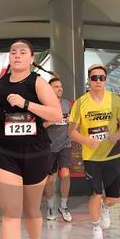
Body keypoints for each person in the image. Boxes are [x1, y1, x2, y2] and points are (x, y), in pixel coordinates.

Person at [0, 40, 61, 239]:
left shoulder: (38, 83)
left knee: (31, 210)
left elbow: (56, 115)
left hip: (35, 152)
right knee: (11, 212)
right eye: (13, 52)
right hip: (4, 152)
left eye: (23, 52)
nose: (17, 55)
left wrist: (25, 104)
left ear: (31, 59)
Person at [68, 64, 120, 239]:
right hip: (91, 156)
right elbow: (71, 131)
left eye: (102, 78)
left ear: (105, 80)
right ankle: (96, 229)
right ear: (89, 80)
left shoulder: (115, 100)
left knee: (114, 197)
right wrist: (86, 141)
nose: (98, 81)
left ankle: (105, 207)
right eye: (94, 78)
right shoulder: (80, 103)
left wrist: (116, 135)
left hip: (112, 154)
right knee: (95, 193)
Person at [43, 77, 73, 222]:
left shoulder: (67, 104)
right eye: (56, 86)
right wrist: (51, 121)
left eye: (60, 86)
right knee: (49, 178)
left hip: (65, 144)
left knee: (66, 173)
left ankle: (64, 206)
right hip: (49, 147)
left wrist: (71, 121)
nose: (60, 88)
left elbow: (73, 122)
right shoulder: (44, 105)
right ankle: (50, 207)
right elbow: (39, 126)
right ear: (50, 89)